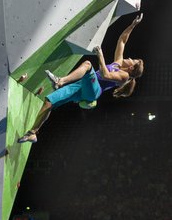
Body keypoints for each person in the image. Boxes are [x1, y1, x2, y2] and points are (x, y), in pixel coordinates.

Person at [18, 14, 144, 143]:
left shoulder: (125, 76)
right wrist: (132, 25)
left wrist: (100, 56)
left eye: (131, 60)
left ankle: (60, 81)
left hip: (94, 91)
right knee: (50, 102)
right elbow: (122, 41)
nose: (128, 58)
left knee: (88, 64)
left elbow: (105, 74)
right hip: (82, 85)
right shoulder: (118, 63)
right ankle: (33, 133)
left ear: (131, 68)